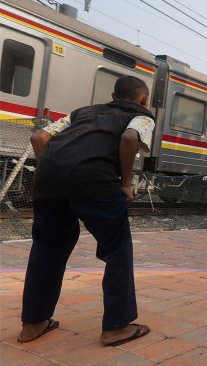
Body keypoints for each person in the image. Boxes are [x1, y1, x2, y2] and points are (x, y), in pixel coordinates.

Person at [19, 76, 154, 346]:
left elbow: (39, 137)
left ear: (113, 95)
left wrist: (57, 171)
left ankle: (32, 325)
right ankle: (116, 328)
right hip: (97, 183)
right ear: (143, 100)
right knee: (116, 250)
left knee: (46, 250)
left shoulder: (81, 112)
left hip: (49, 184)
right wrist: (126, 184)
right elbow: (129, 138)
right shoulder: (142, 116)